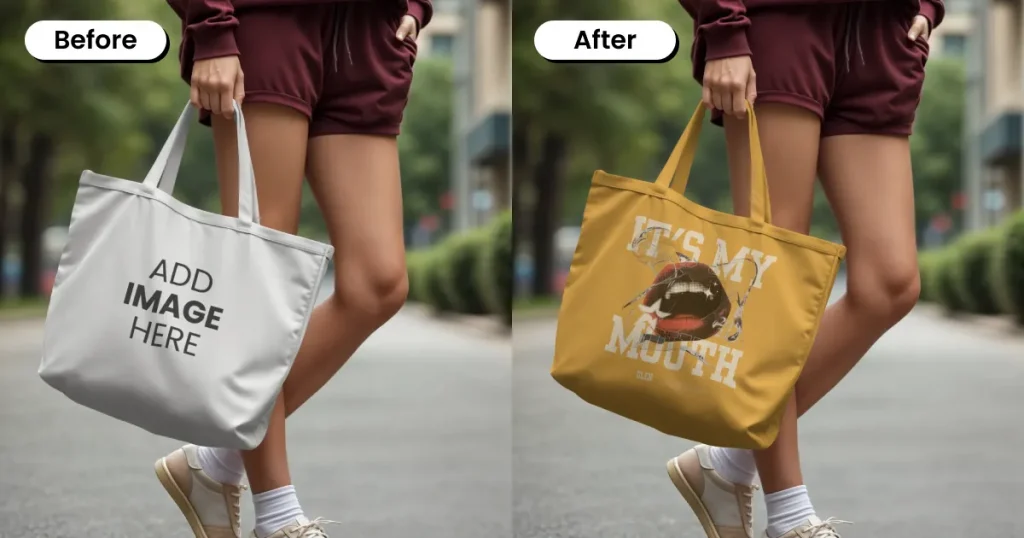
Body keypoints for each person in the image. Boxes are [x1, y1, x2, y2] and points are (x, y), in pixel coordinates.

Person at [152, 1, 431, 537]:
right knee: (263, 273)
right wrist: (211, 30)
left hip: (368, 38)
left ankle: (215, 462)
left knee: (379, 283)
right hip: (266, 25)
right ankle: (279, 518)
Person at [666, 0, 941, 537]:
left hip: (880, 37)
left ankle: (727, 463)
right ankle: (791, 518)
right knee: (774, 274)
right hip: (777, 25)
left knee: (891, 283)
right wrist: (723, 29)